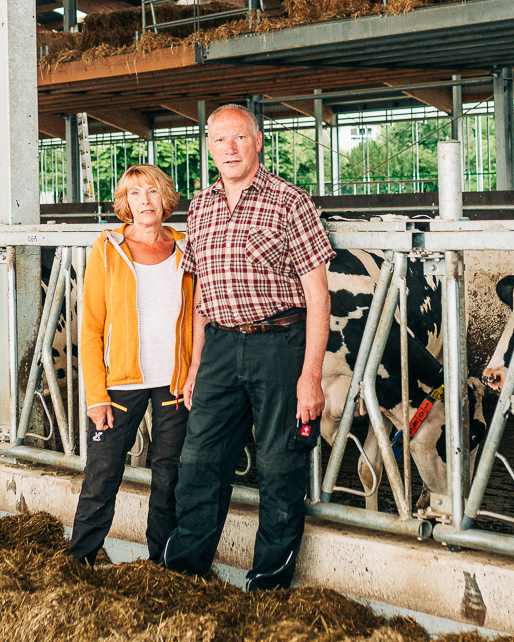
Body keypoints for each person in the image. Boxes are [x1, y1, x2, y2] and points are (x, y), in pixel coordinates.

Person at [162, 104, 331, 591]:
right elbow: (200, 296)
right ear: (209, 147)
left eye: (238, 137)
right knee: (198, 461)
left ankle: (269, 587)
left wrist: (310, 376)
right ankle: (185, 577)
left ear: (258, 140)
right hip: (217, 347)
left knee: (280, 465)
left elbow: (318, 295)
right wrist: (195, 366)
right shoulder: (201, 205)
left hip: (278, 345)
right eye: (218, 140)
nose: (228, 148)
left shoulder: (289, 201)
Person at [66, 164, 194, 564]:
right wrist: (95, 395)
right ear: (125, 203)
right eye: (135, 194)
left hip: (174, 382)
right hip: (120, 383)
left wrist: (194, 373)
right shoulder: (107, 249)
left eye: (152, 192)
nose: (145, 201)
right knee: (102, 474)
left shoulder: (187, 247)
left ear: (165, 199)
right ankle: (80, 560)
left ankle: (163, 565)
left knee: (169, 477)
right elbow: (89, 329)